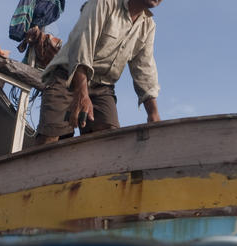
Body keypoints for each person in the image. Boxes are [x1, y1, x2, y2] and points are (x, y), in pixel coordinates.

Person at [36, 0, 162, 144]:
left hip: (103, 87)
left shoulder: (148, 26)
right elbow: (82, 46)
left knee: (110, 142)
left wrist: (153, 114)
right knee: (50, 140)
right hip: (67, 76)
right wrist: (82, 93)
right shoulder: (104, 3)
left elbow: (144, 68)